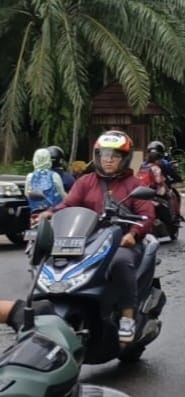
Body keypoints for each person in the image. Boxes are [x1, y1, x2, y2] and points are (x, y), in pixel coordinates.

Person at [33, 130, 155, 343]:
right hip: (89, 240)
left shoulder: (134, 185)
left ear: (124, 159)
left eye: (115, 156)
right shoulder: (86, 181)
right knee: (52, 260)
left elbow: (147, 215)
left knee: (120, 262)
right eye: (105, 155)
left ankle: (127, 316)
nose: (109, 160)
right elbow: (68, 205)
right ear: (97, 156)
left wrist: (133, 235)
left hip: (122, 242)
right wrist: (49, 214)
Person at [25, 148, 66, 215]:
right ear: (49, 160)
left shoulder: (30, 176)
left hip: (36, 212)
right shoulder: (55, 175)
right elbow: (62, 194)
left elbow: (27, 194)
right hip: (52, 213)